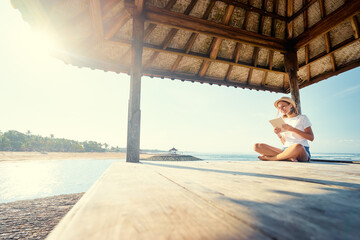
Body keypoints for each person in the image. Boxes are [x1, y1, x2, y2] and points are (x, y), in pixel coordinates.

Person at [254, 96, 314, 162]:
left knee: (297, 146)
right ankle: (288, 157)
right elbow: (284, 142)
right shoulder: (284, 121)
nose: (281, 109)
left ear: (291, 105)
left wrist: (292, 129)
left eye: (283, 106)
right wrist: (278, 134)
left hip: (301, 150)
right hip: (285, 150)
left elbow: (311, 137)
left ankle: (272, 158)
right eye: (279, 108)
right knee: (257, 146)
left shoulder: (302, 118)